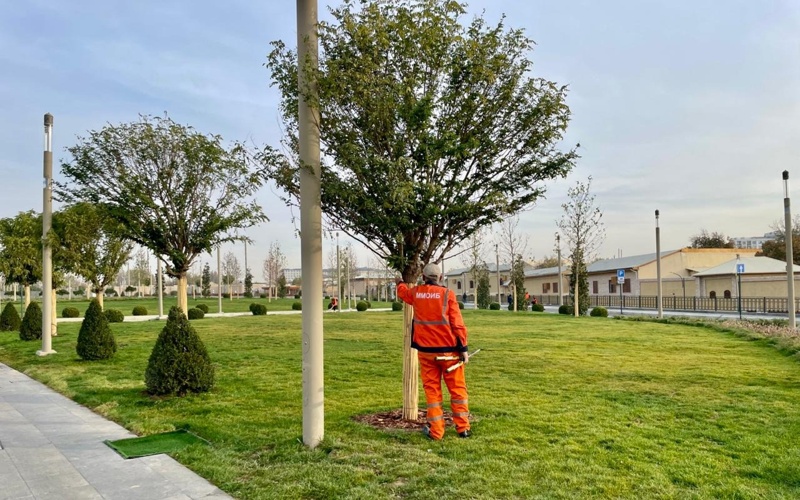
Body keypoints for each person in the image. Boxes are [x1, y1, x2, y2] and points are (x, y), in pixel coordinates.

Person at [395, 263, 471, 440]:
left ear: (423, 277)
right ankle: (463, 429)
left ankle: (436, 432)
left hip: (426, 353)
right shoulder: (447, 295)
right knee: (457, 390)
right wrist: (464, 349)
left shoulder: (416, 293)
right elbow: (457, 324)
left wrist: (399, 281)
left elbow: (403, 293)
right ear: (441, 277)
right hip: (450, 352)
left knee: (432, 391)